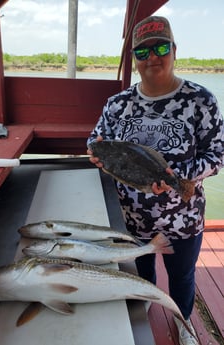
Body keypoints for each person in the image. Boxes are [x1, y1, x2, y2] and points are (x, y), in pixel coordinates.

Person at [87, 15, 224, 345]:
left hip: (183, 219)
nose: (152, 58)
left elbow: (217, 155)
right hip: (132, 218)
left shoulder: (200, 101)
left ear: (175, 50)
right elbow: (97, 142)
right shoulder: (118, 105)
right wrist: (96, 157)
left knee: (182, 277)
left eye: (161, 47)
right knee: (141, 272)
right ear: (135, 60)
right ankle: (143, 311)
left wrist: (180, 178)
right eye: (142, 52)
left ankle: (183, 321)